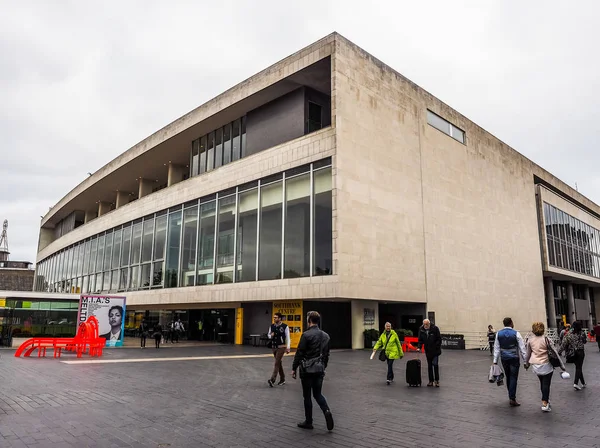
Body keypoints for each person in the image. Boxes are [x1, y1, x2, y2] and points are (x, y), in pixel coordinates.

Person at [292, 311, 334, 432]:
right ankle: (326, 410)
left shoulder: (306, 335)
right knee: (318, 394)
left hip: (307, 369)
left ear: (309, 320)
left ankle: (309, 421)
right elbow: (326, 354)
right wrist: (323, 366)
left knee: (307, 396)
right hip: (319, 368)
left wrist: (294, 368)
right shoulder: (326, 336)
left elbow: (300, 352)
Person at [524, 322, 566, 412]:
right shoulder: (547, 339)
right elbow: (555, 353)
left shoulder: (530, 340)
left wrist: (526, 364)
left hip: (536, 365)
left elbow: (527, 354)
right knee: (546, 384)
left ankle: (545, 399)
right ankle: (545, 402)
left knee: (542, 383)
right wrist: (562, 365)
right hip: (546, 364)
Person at [493, 317, 527, 406]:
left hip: (504, 358)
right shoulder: (516, 333)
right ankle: (512, 397)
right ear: (511, 323)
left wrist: (495, 361)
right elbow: (522, 348)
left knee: (508, 376)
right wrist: (525, 361)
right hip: (514, 358)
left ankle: (510, 395)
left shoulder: (498, 334)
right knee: (513, 377)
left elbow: (496, 348)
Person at [560, 321, 587, 390]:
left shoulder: (568, 334)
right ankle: (576, 383)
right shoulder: (582, 333)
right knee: (579, 367)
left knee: (578, 367)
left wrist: (559, 352)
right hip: (580, 352)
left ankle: (583, 383)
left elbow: (563, 344)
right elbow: (585, 341)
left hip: (572, 352)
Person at [267, 312, 290, 387]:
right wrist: (271, 336)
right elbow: (269, 335)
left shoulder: (285, 326)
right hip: (274, 347)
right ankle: (282, 379)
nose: (274, 319)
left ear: (280, 318)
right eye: (274, 317)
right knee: (279, 363)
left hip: (281, 346)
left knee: (277, 363)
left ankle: (272, 380)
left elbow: (288, 337)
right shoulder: (272, 326)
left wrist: (288, 347)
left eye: (276, 317)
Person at [417, 319, 442, 387]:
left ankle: (437, 381)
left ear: (429, 323)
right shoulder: (421, 329)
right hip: (427, 351)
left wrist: (435, 346)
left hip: (435, 350)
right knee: (429, 366)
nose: (425, 326)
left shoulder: (435, 328)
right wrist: (419, 347)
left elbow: (439, 339)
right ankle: (431, 381)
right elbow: (420, 340)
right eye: (424, 324)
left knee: (435, 364)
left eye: (427, 324)